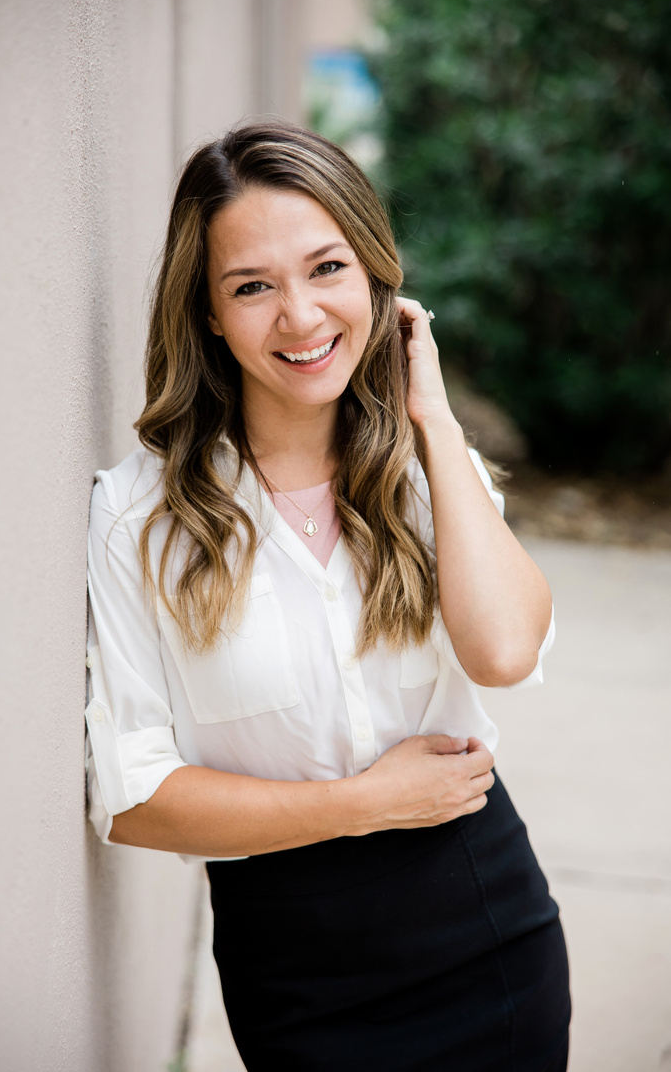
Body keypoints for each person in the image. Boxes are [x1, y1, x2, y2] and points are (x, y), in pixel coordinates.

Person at [85, 121, 571, 1071]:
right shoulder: (139, 516)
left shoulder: (434, 473)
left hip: (485, 925)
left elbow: (506, 651)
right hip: (297, 969)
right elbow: (135, 797)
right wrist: (362, 802)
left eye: (327, 268)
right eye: (253, 286)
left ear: (378, 280)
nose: (302, 317)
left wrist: (430, 414)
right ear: (209, 315)